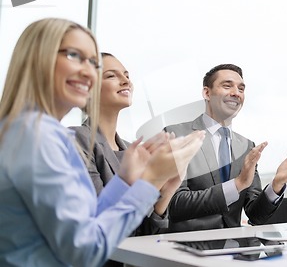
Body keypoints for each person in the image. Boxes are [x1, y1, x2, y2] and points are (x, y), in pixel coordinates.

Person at [0, 18, 204, 267]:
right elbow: (84, 250)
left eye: (93, 63)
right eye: (75, 56)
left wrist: (125, 181)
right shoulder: (37, 138)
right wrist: (150, 181)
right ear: (36, 59)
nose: (88, 72)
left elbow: (85, 222)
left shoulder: (40, 132)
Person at [163, 63, 287, 232]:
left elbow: (255, 215)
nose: (236, 93)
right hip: (187, 245)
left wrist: (276, 184)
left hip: (234, 247)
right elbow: (174, 204)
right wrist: (237, 184)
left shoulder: (246, 147)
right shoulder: (176, 134)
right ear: (207, 93)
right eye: (227, 86)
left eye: (241, 89)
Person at [71, 53, 170, 238]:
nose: (126, 81)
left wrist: (167, 188)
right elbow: (97, 220)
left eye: (126, 75)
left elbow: (144, 231)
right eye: (111, 75)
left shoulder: (132, 151)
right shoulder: (78, 138)